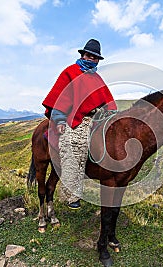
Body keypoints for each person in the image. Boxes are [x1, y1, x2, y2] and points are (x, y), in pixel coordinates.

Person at [42, 39, 117, 209]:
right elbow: (59, 97)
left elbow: (107, 100)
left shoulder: (97, 78)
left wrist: (110, 113)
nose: (91, 59)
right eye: (89, 55)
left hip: (96, 118)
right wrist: (59, 120)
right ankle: (72, 194)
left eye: (95, 57)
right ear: (83, 54)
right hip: (74, 119)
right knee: (75, 144)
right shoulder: (70, 72)